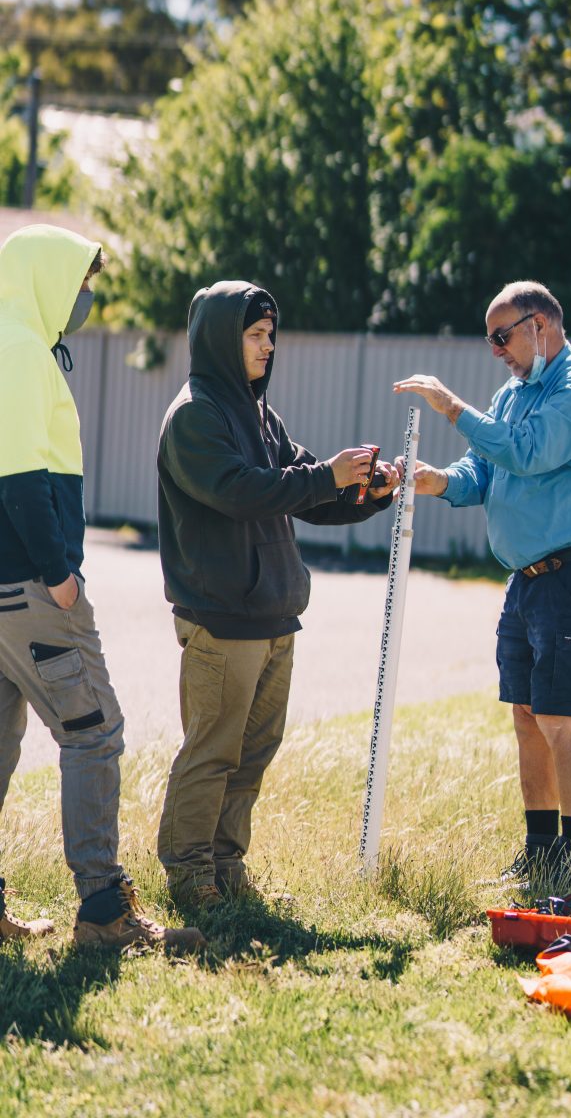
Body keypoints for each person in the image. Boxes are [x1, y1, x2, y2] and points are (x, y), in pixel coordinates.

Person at [156, 279, 397, 905]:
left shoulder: (261, 414)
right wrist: (325, 475)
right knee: (213, 751)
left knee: (254, 751)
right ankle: (188, 873)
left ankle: (226, 867)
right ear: (221, 338)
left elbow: (307, 494)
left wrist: (366, 493)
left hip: (274, 614)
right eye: (256, 335)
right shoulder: (194, 416)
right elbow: (241, 491)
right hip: (222, 617)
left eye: (271, 335)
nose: (268, 347)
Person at [393, 280, 571, 888]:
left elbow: (527, 452)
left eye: (502, 337)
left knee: (561, 720)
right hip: (529, 581)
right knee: (528, 716)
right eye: (490, 340)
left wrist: (452, 407)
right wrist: (433, 480)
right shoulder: (511, 395)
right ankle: (540, 850)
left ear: (540, 325)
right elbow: (482, 472)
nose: (496, 351)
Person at [0, 223, 203, 951]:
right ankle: (103, 912)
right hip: (31, 591)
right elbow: (20, 477)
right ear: (47, 277)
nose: (86, 296)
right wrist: (59, 576)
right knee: (95, 733)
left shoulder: (15, 343)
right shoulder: (19, 350)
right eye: (83, 281)